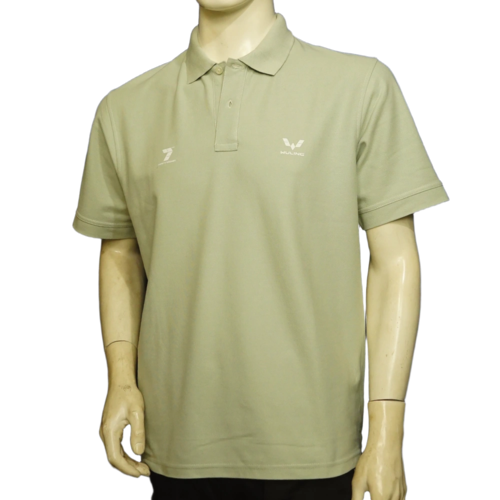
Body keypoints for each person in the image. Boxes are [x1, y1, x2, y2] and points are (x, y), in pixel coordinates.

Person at [71, 1, 451, 499]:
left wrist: (387, 430)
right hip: (173, 441)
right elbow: (120, 255)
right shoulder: (124, 108)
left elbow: (394, 262)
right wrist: (120, 378)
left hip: (318, 446)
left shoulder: (359, 86)